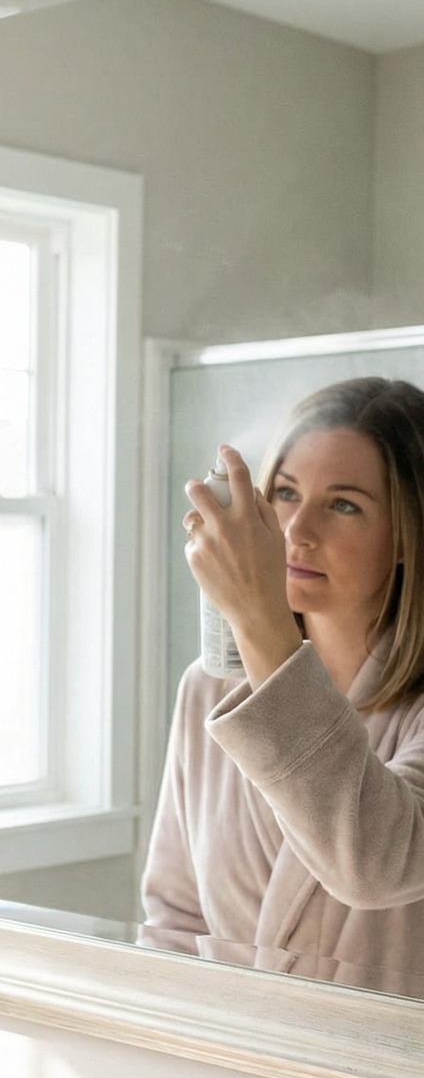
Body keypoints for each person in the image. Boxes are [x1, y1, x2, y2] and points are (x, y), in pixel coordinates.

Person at [141, 375, 424, 978]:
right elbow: (172, 917)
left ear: (409, 534)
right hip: (233, 1058)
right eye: (287, 494)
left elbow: (371, 866)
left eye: (344, 504)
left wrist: (257, 614)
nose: (297, 532)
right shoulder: (210, 689)